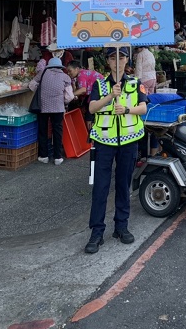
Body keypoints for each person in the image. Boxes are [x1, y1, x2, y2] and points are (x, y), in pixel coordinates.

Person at [85, 46, 147, 254]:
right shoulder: (100, 84)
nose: (118, 62)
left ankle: (121, 226)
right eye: (113, 58)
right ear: (108, 62)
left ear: (127, 61)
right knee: (100, 188)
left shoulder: (134, 83)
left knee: (123, 185)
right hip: (104, 142)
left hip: (129, 141)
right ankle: (96, 232)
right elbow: (91, 108)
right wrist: (111, 96)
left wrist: (128, 109)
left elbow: (144, 108)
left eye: (121, 57)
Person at [29, 57, 74, 165]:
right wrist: (64, 102)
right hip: (58, 108)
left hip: (43, 107)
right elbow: (69, 96)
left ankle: (43, 156)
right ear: (60, 67)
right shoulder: (65, 77)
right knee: (57, 131)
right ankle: (57, 157)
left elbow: (31, 86)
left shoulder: (43, 73)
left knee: (43, 131)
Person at [66, 61, 104, 131]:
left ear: (76, 69)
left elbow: (83, 90)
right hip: (100, 95)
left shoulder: (81, 75)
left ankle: (90, 135)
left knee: (89, 117)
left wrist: (70, 95)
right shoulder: (84, 73)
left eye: (70, 71)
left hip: (97, 95)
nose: (68, 73)